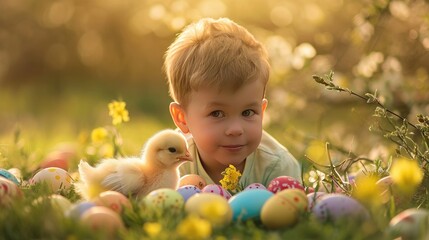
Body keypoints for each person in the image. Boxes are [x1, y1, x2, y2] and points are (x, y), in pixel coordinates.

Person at [163, 17, 301, 188]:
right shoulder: (170, 162)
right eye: (217, 113)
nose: (236, 129)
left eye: (248, 112)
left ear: (262, 111)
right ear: (182, 118)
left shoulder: (277, 167)